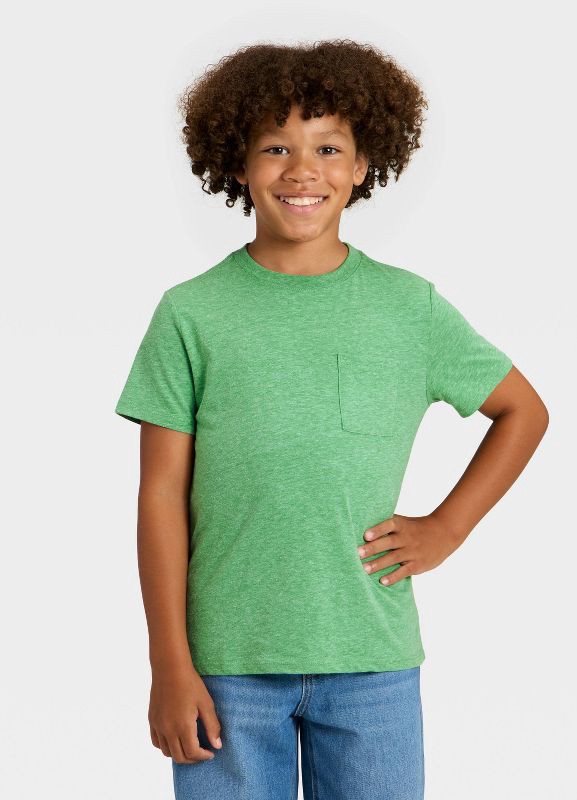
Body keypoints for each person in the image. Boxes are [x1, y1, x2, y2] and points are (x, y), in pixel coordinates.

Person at [114, 39, 548, 800]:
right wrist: (168, 664)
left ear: (361, 164)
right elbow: (160, 497)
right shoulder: (191, 314)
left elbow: (522, 411)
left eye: (327, 148)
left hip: (372, 660)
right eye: (275, 147)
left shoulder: (409, 308)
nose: (302, 170)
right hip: (226, 666)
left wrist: (446, 528)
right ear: (238, 162)